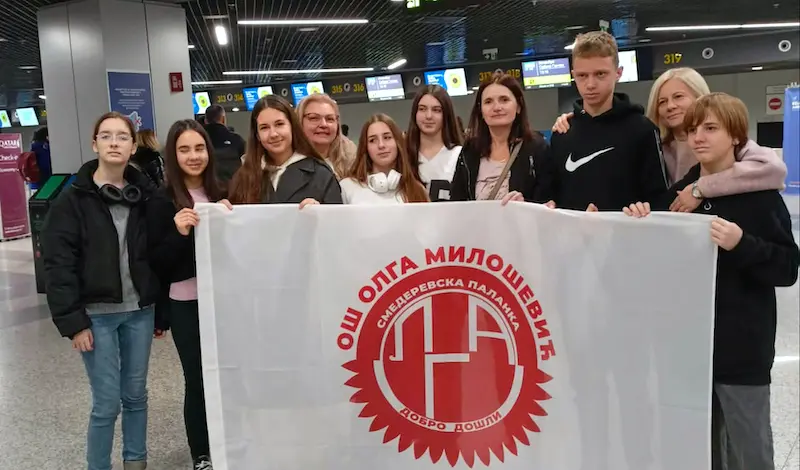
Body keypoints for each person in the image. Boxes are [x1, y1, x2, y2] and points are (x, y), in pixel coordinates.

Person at [623, 92, 799, 470]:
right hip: (690, 349)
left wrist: (742, 243)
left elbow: (787, 268)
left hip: (742, 351)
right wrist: (639, 221)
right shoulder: (679, 197)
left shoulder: (761, 198)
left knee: (749, 451)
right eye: (693, 130)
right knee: (701, 452)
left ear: (735, 135)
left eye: (711, 128)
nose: (698, 137)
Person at [41, 112, 162, 470]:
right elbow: (58, 266)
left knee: (136, 395)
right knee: (107, 403)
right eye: (106, 136)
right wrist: (74, 323)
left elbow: (158, 252)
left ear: (133, 146)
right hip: (96, 318)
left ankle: (135, 461)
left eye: (122, 136)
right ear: (94, 144)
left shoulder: (146, 197)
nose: (114, 143)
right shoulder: (71, 202)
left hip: (139, 312)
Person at [551, 66, 787, 212]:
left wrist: (700, 189)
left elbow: (773, 170)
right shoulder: (656, 145)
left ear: (699, 96)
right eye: (662, 101)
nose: (670, 106)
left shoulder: (729, 145)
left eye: (679, 97)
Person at [147, 120, 230, 470]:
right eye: (184, 149)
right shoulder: (161, 201)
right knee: (197, 379)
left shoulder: (224, 191)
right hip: (186, 304)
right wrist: (178, 233)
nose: (193, 156)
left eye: (199, 148)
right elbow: (157, 262)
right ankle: (202, 453)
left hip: (226, 302)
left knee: (229, 375)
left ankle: (230, 443)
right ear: (173, 155)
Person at [540, 31, 667, 211]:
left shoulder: (643, 130)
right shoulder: (562, 133)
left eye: (600, 74)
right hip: (573, 230)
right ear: (573, 75)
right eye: (582, 76)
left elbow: (659, 198)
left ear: (618, 73)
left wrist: (642, 211)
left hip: (624, 229)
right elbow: (549, 195)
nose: (590, 84)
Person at [450, 72, 549, 204]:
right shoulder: (470, 150)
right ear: (481, 111)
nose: (497, 107)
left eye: (504, 100)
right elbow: (457, 202)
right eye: (488, 102)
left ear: (518, 107)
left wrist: (525, 204)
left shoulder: (537, 148)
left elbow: (548, 199)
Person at [227, 95, 342, 207]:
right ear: (257, 135)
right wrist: (223, 210)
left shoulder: (321, 175)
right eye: (264, 127)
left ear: (292, 126)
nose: (273, 134)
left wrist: (320, 213)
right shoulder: (243, 177)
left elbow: (336, 218)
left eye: (279, 124)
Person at [340, 114, 428, 205]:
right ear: (365, 147)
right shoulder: (347, 187)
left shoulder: (418, 190)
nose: (381, 145)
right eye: (373, 140)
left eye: (387, 137)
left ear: (397, 142)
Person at [405, 85, 463, 202]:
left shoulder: (460, 155)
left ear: (446, 115)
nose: (428, 116)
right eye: (422, 109)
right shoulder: (403, 156)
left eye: (436, 110)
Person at [297, 93, 356, 179]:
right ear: (299, 122)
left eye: (330, 119)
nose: (323, 124)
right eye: (314, 118)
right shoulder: (289, 162)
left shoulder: (351, 158)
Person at [204, 104, 246, 185]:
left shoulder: (201, 140)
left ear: (205, 121)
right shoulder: (236, 140)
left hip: (208, 186)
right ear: (223, 119)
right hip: (234, 186)